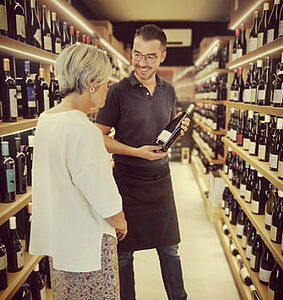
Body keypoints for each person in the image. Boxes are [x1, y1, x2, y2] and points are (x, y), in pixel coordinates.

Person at [96, 24, 189, 300]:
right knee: (124, 254)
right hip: (127, 181)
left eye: (150, 56)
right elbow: (99, 137)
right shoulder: (116, 92)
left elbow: (161, 131)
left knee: (170, 249)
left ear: (162, 56)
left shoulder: (169, 91)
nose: (141, 63)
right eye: (137, 54)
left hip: (161, 180)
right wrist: (137, 152)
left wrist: (175, 133)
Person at [29, 44, 127, 300]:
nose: (108, 87)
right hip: (88, 245)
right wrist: (120, 220)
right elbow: (101, 191)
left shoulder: (47, 119)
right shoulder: (83, 130)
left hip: (61, 241)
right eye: (106, 81)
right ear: (91, 82)